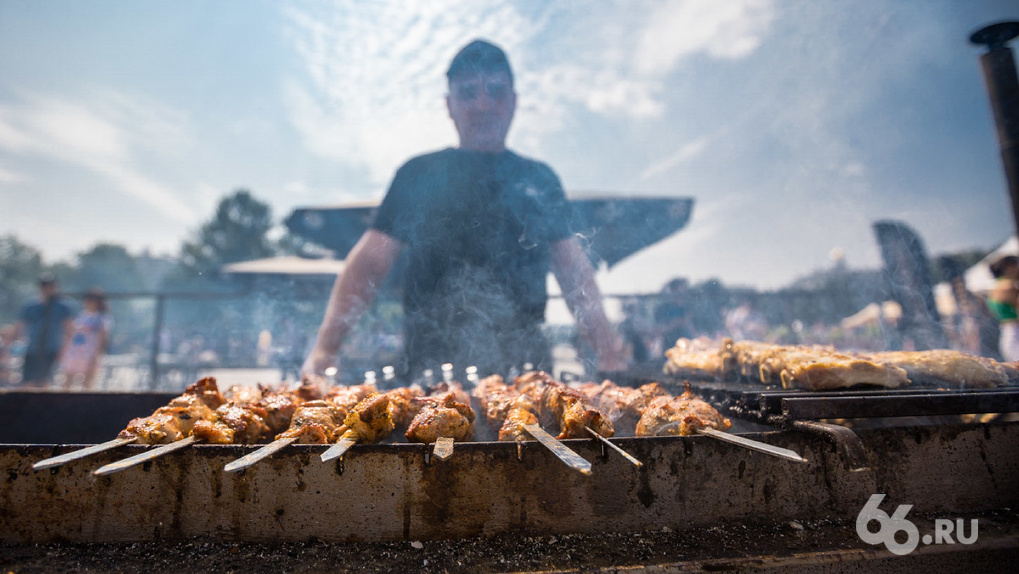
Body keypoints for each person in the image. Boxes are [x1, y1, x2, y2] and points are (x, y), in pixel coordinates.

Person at [303, 39, 625, 382]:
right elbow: (369, 263)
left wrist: (608, 351)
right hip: (427, 376)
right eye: (469, 93)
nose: (483, 105)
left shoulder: (539, 179)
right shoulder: (419, 175)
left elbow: (573, 269)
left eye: (496, 91)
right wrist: (325, 349)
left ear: (514, 102)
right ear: (449, 105)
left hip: (525, 377)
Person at [13, 275, 76, 387]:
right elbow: (20, 326)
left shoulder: (63, 307)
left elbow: (69, 329)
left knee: (45, 380)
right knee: (28, 381)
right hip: (32, 348)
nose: (48, 289)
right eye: (45, 286)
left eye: (51, 286)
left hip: (52, 349)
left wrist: (65, 348)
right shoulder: (30, 306)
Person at [58, 288, 113, 390]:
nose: (88, 302)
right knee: (68, 378)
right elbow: (71, 335)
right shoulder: (81, 316)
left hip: (90, 353)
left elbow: (103, 339)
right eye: (87, 300)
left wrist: (97, 355)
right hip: (75, 352)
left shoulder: (102, 318)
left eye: (91, 300)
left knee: (88, 382)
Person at [987, 255, 1019, 361]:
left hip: (1007, 334)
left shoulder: (996, 287)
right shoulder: (1009, 286)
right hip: (1016, 334)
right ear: (1008, 267)